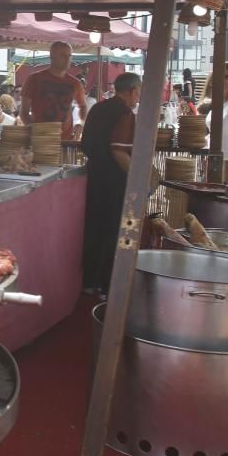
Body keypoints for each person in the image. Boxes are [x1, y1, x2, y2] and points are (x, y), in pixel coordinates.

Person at [80, 72, 142, 294]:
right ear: (132, 91)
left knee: (93, 228)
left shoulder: (97, 108)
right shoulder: (125, 113)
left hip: (94, 175)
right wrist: (140, 180)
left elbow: (85, 144)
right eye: (138, 93)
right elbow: (119, 152)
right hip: (114, 180)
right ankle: (107, 286)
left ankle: (89, 282)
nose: (138, 98)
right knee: (113, 231)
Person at [19, 41, 87, 141]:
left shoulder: (75, 83)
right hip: (40, 141)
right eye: (63, 55)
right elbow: (24, 112)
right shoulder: (34, 79)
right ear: (52, 56)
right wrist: (34, 131)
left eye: (69, 56)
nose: (68, 59)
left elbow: (83, 106)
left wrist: (80, 122)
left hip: (65, 140)